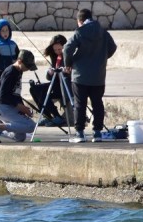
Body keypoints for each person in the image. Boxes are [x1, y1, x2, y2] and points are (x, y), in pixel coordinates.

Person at [63, 8, 117, 143]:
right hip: (98, 76)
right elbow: (113, 47)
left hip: (80, 75)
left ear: (79, 21)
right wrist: (102, 58)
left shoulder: (79, 32)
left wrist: (69, 63)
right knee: (97, 103)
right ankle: (97, 133)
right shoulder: (103, 32)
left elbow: (67, 48)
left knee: (80, 104)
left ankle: (80, 133)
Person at [0, 50, 39, 143]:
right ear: (19, 61)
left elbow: (16, 94)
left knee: (20, 137)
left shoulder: (19, 71)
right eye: (27, 66)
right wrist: (20, 107)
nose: (28, 69)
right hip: (2, 106)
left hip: (8, 106)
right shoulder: (11, 72)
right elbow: (4, 95)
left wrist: (23, 108)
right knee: (31, 126)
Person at [30, 34, 69, 126]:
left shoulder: (68, 56)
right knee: (34, 89)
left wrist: (62, 71)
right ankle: (47, 116)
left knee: (42, 91)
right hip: (56, 84)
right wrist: (50, 72)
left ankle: (57, 116)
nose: (57, 52)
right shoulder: (56, 57)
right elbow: (49, 77)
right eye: (55, 50)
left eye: (59, 49)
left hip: (65, 87)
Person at [0, 18, 19, 88]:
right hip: (1, 74)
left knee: (12, 90)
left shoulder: (13, 44)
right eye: (2, 31)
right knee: (1, 91)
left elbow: (18, 57)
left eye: (7, 30)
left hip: (12, 73)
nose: (5, 33)